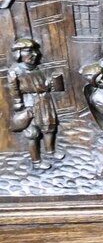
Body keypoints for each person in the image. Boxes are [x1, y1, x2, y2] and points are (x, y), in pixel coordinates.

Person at [5, 38, 63, 169]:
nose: (35, 54)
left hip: (44, 100)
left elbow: (40, 83)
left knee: (49, 126)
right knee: (32, 133)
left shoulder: (37, 68)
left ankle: (50, 151)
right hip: (29, 102)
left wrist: (50, 83)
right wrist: (18, 102)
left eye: (35, 51)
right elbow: (13, 88)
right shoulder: (15, 71)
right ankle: (36, 161)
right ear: (18, 53)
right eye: (29, 51)